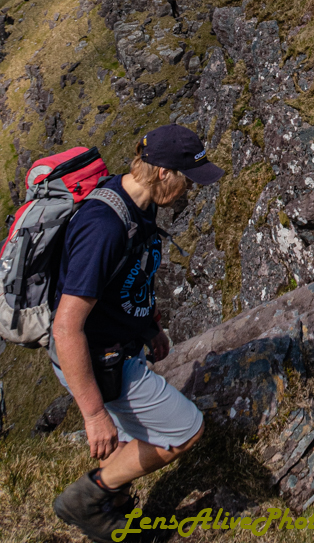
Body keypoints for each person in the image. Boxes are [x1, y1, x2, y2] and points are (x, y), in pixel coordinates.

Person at [51, 125, 224, 543]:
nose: (190, 190)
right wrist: (93, 415)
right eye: (187, 179)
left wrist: (150, 328)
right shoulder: (104, 227)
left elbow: (126, 279)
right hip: (99, 360)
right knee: (185, 430)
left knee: (136, 432)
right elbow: (66, 325)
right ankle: (90, 498)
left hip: (122, 349)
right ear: (164, 172)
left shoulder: (139, 204)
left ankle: (112, 500)